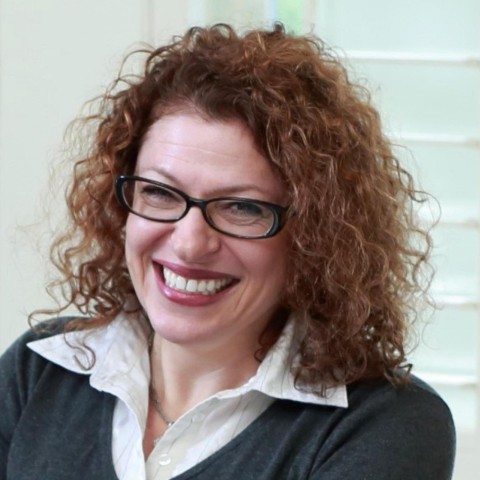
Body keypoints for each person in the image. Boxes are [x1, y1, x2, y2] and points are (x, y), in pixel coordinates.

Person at [0, 23, 455, 479]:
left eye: (242, 207)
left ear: (315, 235)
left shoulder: (385, 425)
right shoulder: (38, 372)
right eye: (159, 193)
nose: (189, 243)